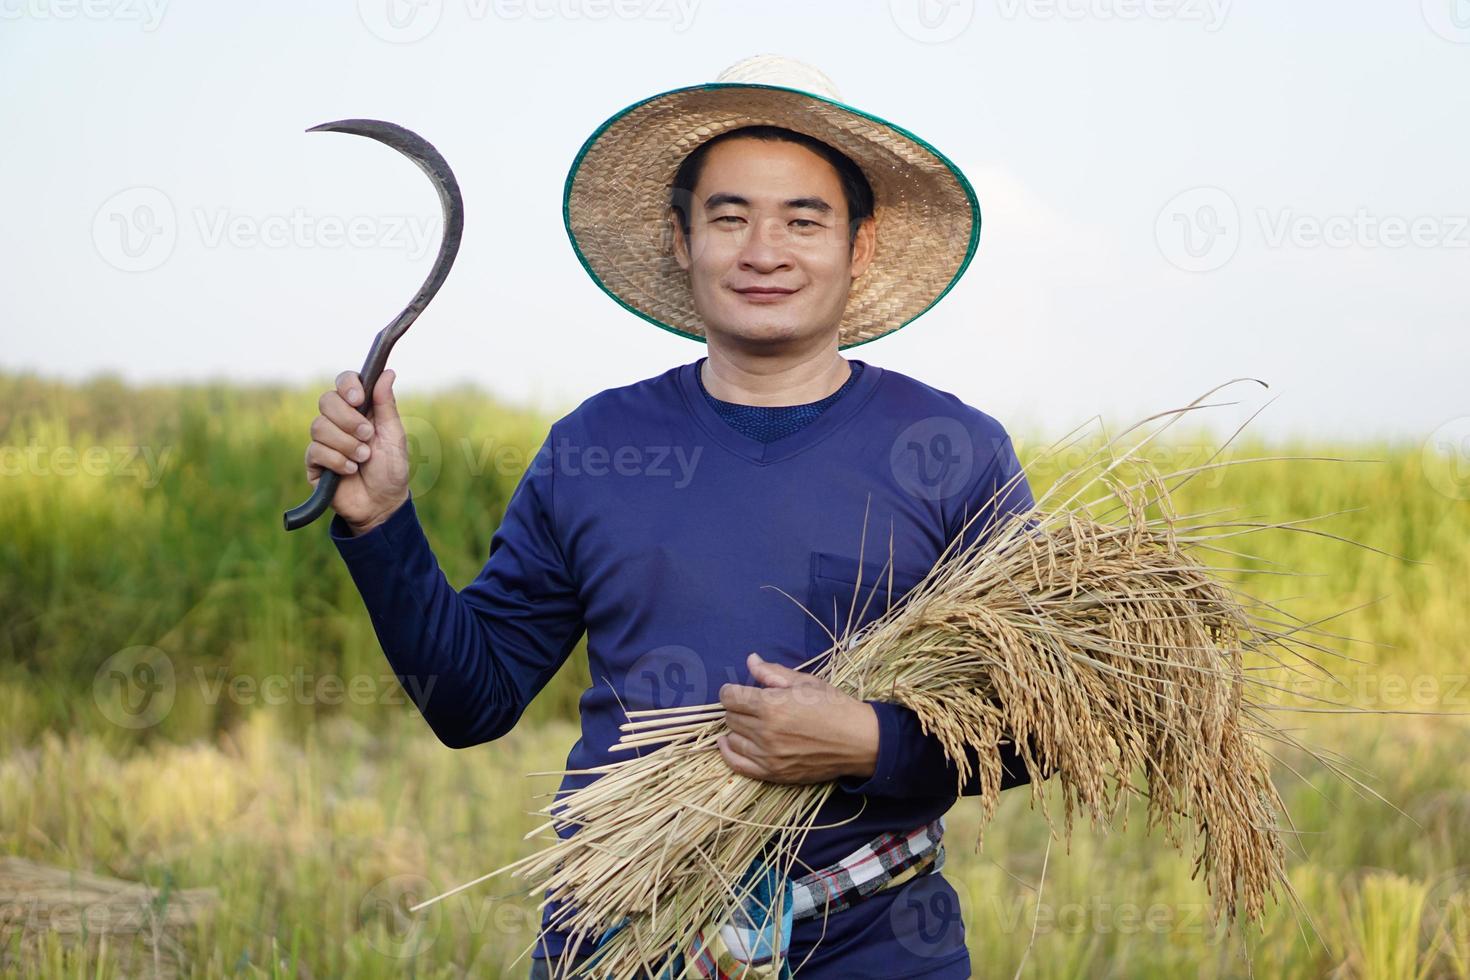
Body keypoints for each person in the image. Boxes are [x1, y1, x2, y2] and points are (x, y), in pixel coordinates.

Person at [304, 54, 1040, 979]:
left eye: (802, 220)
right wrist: (382, 525)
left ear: (861, 245)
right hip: (620, 934)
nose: (762, 251)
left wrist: (869, 741)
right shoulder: (596, 445)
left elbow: (1043, 726)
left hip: (871, 941)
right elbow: (471, 701)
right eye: (729, 217)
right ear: (680, 240)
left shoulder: (950, 448)